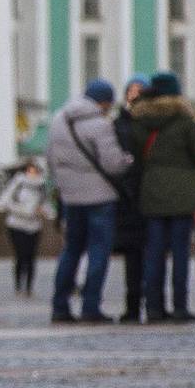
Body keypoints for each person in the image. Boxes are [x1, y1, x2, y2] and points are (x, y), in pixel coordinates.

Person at [45, 79, 133, 323]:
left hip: (71, 197)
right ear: (104, 101)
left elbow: (50, 158)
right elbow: (112, 164)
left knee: (71, 250)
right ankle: (90, 307)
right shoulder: (100, 125)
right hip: (100, 198)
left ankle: (59, 306)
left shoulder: (58, 120)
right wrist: (127, 160)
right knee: (98, 252)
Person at [131, 71, 195, 323]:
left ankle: (153, 308)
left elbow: (133, 153)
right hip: (183, 195)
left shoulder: (140, 120)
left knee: (154, 253)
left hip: (152, 192)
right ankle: (179, 307)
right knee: (180, 253)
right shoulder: (184, 119)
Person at [112, 76, 149, 322]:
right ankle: (133, 305)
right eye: (131, 91)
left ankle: (154, 304)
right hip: (128, 200)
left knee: (151, 254)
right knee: (133, 256)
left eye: (139, 92)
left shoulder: (152, 124)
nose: (134, 96)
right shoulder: (119, 124)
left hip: (149, 196)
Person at [0, 160, 49, 297]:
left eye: (35, 171)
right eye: (30, 170)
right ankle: (18, 287)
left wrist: (42, 211)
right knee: (21, 256)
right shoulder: (19, 183)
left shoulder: (41, 185)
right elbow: (4, 202)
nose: (32, 174)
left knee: (31, 257)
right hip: (16, 225)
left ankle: (29, 289)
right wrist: (26, 211)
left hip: (34, 227)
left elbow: (47, 206)